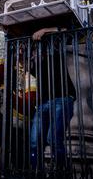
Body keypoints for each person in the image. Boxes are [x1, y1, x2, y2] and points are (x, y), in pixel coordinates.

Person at [30, 27, 76, 173]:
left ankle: (60, 172)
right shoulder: (34, 65)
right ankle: (36, 171)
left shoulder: (55, 52)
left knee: (54, 139)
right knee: (34, 142)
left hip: (61, 98)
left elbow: (68, 31)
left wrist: (44, 30)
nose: (34, 53)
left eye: (36, 50)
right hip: (42, 103)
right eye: (33, 51)